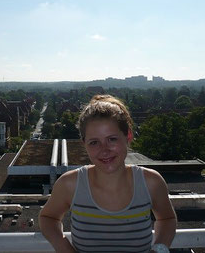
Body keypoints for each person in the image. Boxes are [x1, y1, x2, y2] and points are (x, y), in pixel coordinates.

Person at [39, 95, 177, 253]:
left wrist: (159, 248)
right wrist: (65, 249)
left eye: (112, 139)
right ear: (84, 144)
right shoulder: (70, 184)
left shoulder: (151, 182)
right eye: (94, 142)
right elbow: (48, 218)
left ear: (128, 136)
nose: (104, 150)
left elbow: (167, 219)